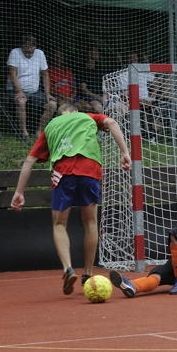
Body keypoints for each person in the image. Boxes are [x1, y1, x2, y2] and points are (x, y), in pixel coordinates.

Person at [10, 101, 130, 294]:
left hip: (63, 173)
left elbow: (30, 160)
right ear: (76, 111)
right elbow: (112, 123)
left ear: (59, 114)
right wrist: (124, 152)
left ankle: (68, 269)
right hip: (89, 170)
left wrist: (19, 192)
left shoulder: (51, 126)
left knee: (59, 224)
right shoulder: (87, 117)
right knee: (90, 222)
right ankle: (88, 273)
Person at [8, 34, 55, 140]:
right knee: (21, 102)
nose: (29, 49)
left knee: (52, 105)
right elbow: (12, 74)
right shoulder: (15, 52)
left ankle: (39, 132)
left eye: (31, 46)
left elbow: (45, 75)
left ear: (35, 46)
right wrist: (19, 91)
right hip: (16, 90)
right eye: (26, 46)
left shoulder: (40, 54)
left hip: (35, 92)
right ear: (21, 46)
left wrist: (47, 93)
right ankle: (24, 133)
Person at [77, 45, 106, 113]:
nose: (98, 53)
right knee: (98, 108)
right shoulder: (81, 69)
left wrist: (106, 96)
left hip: (103, 97)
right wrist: (98, 97)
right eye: (95, 51)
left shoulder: (100, 69)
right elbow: (84, 90)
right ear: (89, 53)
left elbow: (106, 86)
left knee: (119, 107)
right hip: (90, 98)